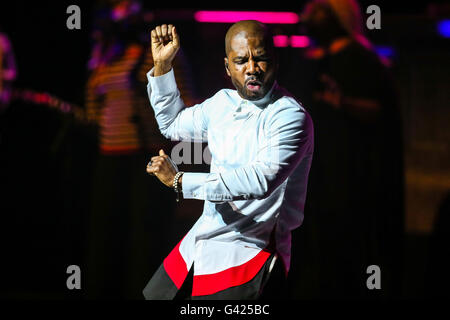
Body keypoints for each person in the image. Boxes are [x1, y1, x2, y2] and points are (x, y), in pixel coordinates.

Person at [142, 21, 314, 300]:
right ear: (227, 67)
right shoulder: (222, 103)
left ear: (275, 61)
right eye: (241, 60)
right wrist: (163, 66)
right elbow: (172, 124)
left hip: (250, 253)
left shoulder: (290, 116)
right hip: (201, 240)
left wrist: (180, 181)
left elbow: (260, 180)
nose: (252, 68)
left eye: (260, 58)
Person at [291, 0, 404, 298]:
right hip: (311, 174)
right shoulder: (307, 61)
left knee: (347, 245)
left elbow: (380, 111)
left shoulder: (361, 59)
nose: (311, 17)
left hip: (350, 173)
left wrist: (343, 103)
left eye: (321, 11)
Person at [83, 0, 196, 299]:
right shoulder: (106, 56)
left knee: (147, 233)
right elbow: (93, 108)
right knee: (108, 232)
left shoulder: (158, 54)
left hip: (147, 156)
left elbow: (185, 102)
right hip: (110, 158)